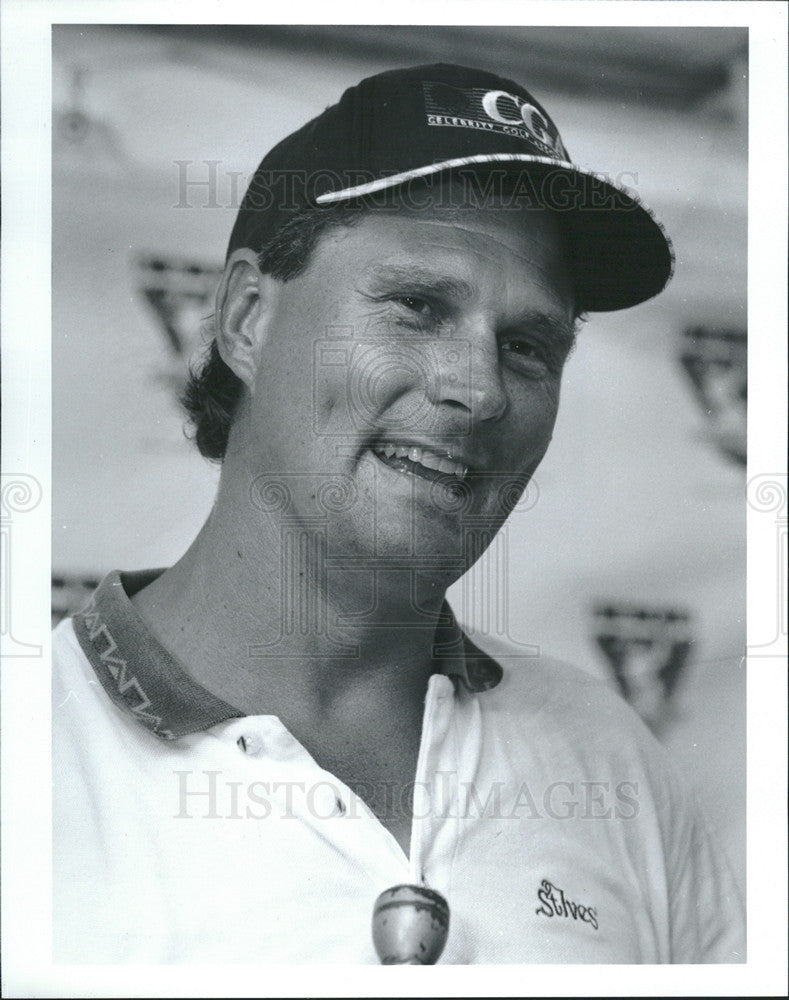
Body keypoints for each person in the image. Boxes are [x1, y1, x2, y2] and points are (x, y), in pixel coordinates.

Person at [52, 62, 744, 963]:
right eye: (417, 306)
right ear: (245, 320)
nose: (479, 389)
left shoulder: (606, 757)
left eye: (529, 346)